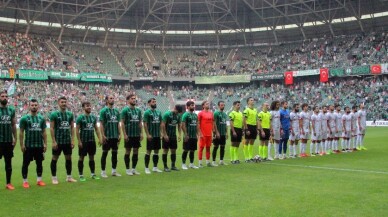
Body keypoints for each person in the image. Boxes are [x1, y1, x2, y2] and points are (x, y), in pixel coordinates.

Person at [19, 99, 46, 188]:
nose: (34, 107)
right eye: (32, 105)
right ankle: (25, 181)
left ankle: (39, 180)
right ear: (29, 106)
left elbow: (44, 132)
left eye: (35, 105)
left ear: (38, 106)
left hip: (39, 145)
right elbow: (21, 132)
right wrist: (21, 144)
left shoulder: (41, 118)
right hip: (28, 145)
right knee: (26, 163)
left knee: (39, 163)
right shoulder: (24, 118)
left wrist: (45, 144)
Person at [50, 96, 77, 184]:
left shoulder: (70, 114)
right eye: (62, 102)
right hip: (58, 141)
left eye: (65, 102)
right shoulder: (54, 114)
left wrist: (72, 140)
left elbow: (72, 127)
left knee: (68, 158)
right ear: (58, 103)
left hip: (67, 141)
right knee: (55, 158)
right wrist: (54, 141)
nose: (64, 104)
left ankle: (69, 177)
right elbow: (51, 128)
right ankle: (54, 178)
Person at [76, 101, 101, 181]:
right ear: (83, 108)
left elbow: (96, 129)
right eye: (87, 106)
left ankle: (93, 174)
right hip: (83, 141)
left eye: (90, 106)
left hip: (91, 141)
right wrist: (79, 141)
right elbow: (77, 130)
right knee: (81, 158)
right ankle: (81, 175)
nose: (89, 107)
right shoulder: (80, 118)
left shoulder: (93, 117)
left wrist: (99, 138)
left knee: (92, 158)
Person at [99, 95, 121, 178]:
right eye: (110, 98)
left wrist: (120, 134)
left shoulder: (116, 111)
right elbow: (101, 124)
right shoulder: (103, 111)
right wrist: (103, 135)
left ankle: (114, 171)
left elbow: (118, 123)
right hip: (107, 136)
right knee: (105, 154)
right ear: (107, 101)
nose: (112, 99)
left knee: (115, 154)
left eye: (113, 98)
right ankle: (103, 172)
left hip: (115, 136)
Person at [121, 94, 143, 176]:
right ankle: (127, 169)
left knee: (136, 151)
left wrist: (141, 133)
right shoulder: (125, 110)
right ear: (128, 100)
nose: (134, 100)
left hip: (136, 134)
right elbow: (122, 123)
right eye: (132, 99)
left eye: (135, 98)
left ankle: (133, 169)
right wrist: (125, 134)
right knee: (128, 151)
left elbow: (140, 122)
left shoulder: (138, 111)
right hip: (129, 134)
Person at [0, 90, 17, 190]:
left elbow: (13, 125)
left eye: (6, 96)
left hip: (8, 141)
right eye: (2, 96)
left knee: (8, 163)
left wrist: (14, 137)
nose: (5, 98)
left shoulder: (11, 110)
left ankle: (8, 183)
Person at [143, 98, 163, 174]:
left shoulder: (158, 112)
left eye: (155, 101)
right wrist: (147, 134)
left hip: (157, 135)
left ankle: (155, 167)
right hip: (151, 135)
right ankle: (146, 168)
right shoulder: (147, 112)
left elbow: (161, 123)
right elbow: (145, 124)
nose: (154, 103)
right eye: (153, 102)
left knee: (156, 151)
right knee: (148, 151)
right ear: (149, 104)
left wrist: (161, 133)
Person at [161, 105, 182, 172]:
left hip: (173, 136)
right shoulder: (167, 114)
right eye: (177, 111)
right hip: (166, 136)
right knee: (165, 151)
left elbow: (179, 125)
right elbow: (163, 125)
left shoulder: (178, 116)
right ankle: (165, 166)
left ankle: (173, 166)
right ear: (174, 108)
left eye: (178, 112)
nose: (177, 113)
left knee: (173, 150)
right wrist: (164, 134)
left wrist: (179, 134)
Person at [181, 101, 199, 169]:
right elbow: (183, 125)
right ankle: (183, 164)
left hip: (194, 136)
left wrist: (197, 134)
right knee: (186, 150)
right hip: (187, 136)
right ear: (188, 107)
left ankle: (191, 164)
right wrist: (186, 134)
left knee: (192, 150)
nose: (193, 106)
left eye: (193, 105)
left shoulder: (195, 115)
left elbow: (197, 125)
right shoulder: (185, 115)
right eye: (192, 105)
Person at [197, 100, 214, 167]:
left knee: (208, 148)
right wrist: (200, 133)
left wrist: (213, 132)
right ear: (203, 106)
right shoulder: (200, 113)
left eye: (208, 104)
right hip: (203, 134)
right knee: (201, 148)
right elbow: (198, 123)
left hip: (209, 134)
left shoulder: (211, 113)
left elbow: (212, 123)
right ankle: (200, 163)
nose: (208, 105)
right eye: (206, 104)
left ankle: (207, 162)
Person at [212, 101, 228, 166]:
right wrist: (216, 132)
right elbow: (214, 123)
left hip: (223, 133)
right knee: (215, 147)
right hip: (217, 133)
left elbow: (225, 124)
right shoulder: (216, 113)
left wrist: (226, 132)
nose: (223, 106)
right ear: (218, 106)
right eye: (221, 105)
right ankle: (213, 161)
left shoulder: (224, 114)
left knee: (222, 147)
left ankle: (221, 161)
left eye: (223, 105)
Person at [243, 97, 258, 162]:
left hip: (254, 126)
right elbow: (244, 120)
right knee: (246, 141)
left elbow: (256, 120)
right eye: (251, 100)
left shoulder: (255, 110)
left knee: (252, 142)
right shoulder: (246, 110)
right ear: (248, 102)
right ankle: (246, 158)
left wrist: (257, 128)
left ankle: (250, 157)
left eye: (253, 100)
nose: (252, 101)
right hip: (248, 126)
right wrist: (246, 129)